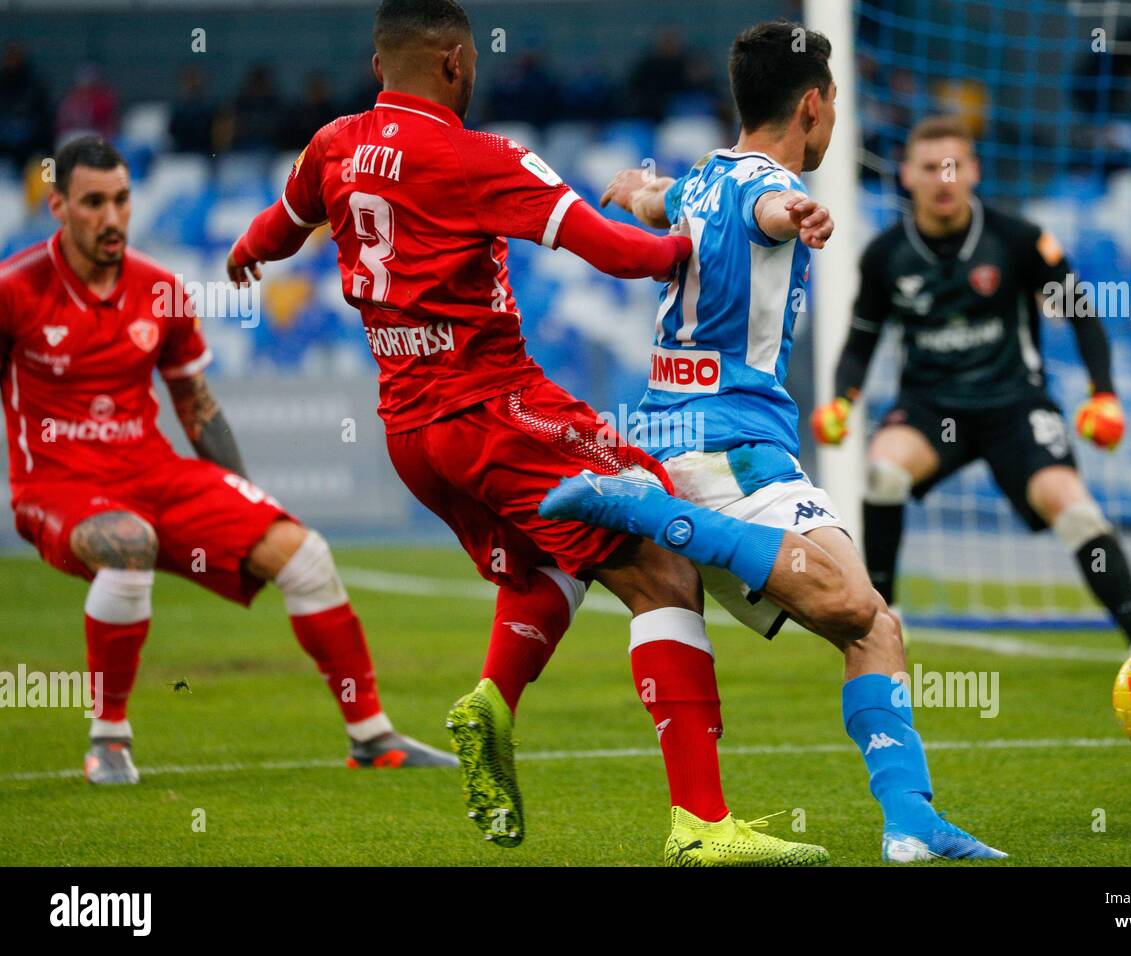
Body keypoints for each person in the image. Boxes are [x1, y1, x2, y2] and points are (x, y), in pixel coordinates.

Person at [226, 0, 825, 866]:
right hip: (495, 410)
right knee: (661, 555)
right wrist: (696, 239)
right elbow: (619, 251)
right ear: (458, 64)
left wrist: (245, 251)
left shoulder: (332, 145)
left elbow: (280, 228)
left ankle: (493, 702)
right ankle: (702, 825)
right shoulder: (479, 158)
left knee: (553, 562)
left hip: (410, 435)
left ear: (375, 65)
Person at [545, 22, 1004, 862]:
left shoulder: (697, 180)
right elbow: (771, 209)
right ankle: (666, 522)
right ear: (814, 104)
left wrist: (630, 185)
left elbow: (659, 204)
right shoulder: (767, 189)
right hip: (732, 449)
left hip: (664, 433)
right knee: (855, 608)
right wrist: (798, 210)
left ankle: (910, 824)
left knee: (876, 629)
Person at [0, 136, 449, 785]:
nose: (111, 217)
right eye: (93, 202)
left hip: (150, 471)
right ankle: (110, 739)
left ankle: (372, 736)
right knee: (130, 544)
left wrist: (241, 503)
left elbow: (197, 406)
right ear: (60, 208)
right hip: (56, 486)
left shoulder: (159, 289)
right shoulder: (15, 291)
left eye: (121, 200)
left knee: (304, 555)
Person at [809, 115, 1131, 654]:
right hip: (929, 408)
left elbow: (1083, 316)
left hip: (1014, 405)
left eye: (954, 167)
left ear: (973, 172)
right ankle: (884, 617)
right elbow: (861, 343)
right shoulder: (884, 256)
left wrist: (1104, 393)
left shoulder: (1017, 239)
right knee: (882, 472)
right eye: (930, 168)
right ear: (907, 175)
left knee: (1074, 508)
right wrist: (841, 400)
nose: (943, 179)